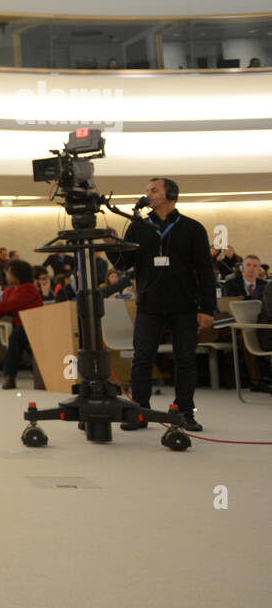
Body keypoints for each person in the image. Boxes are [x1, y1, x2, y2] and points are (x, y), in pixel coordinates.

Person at [114, 177, 216, 432]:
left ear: (171, 194)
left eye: (154, 190)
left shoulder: (192, 228)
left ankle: (185, 412)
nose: (148, 194)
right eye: (147, 191)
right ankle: (140, 411)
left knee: (185, 360)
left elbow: (205, 271)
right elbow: (122, 264)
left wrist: (207, 308)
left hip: (184, 304)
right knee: (142, 359)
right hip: (149, 304)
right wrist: (111, 244)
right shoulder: (138, 227)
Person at [0, 259, 44, 390]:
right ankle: (11, 375)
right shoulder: (9, 291)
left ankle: (10, 376)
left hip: (34, 325)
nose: (5, 275)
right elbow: (4, 311)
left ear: (17, 275)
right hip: (20, 325)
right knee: (15, 337)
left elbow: (10, 305)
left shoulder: (29, 289)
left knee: (15, 337)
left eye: (8, 272)